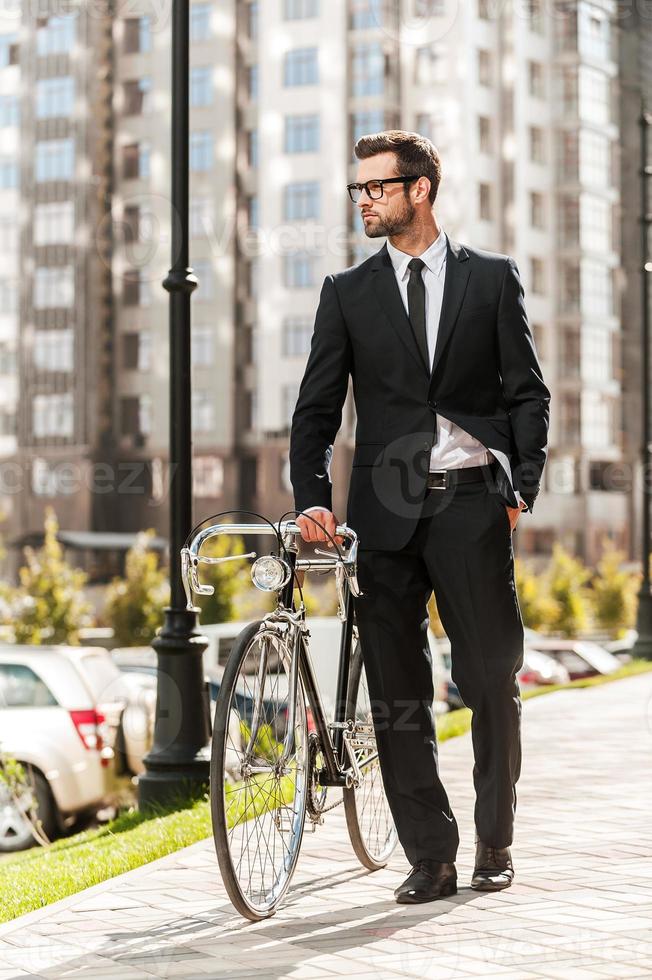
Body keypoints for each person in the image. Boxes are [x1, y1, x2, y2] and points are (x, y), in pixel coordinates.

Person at [289, 130, 550, 904]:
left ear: (420, 190)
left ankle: (495, 841)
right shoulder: (348, 293)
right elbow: (316, 408)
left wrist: (519, 485)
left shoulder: (493, 281)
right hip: (384, 514)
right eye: (358, 190)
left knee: (490, 678)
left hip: (473, 504)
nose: (363, 200)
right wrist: (313, 496)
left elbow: (527, 392)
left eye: (376, 187)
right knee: (398, 692)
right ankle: (430, 855)